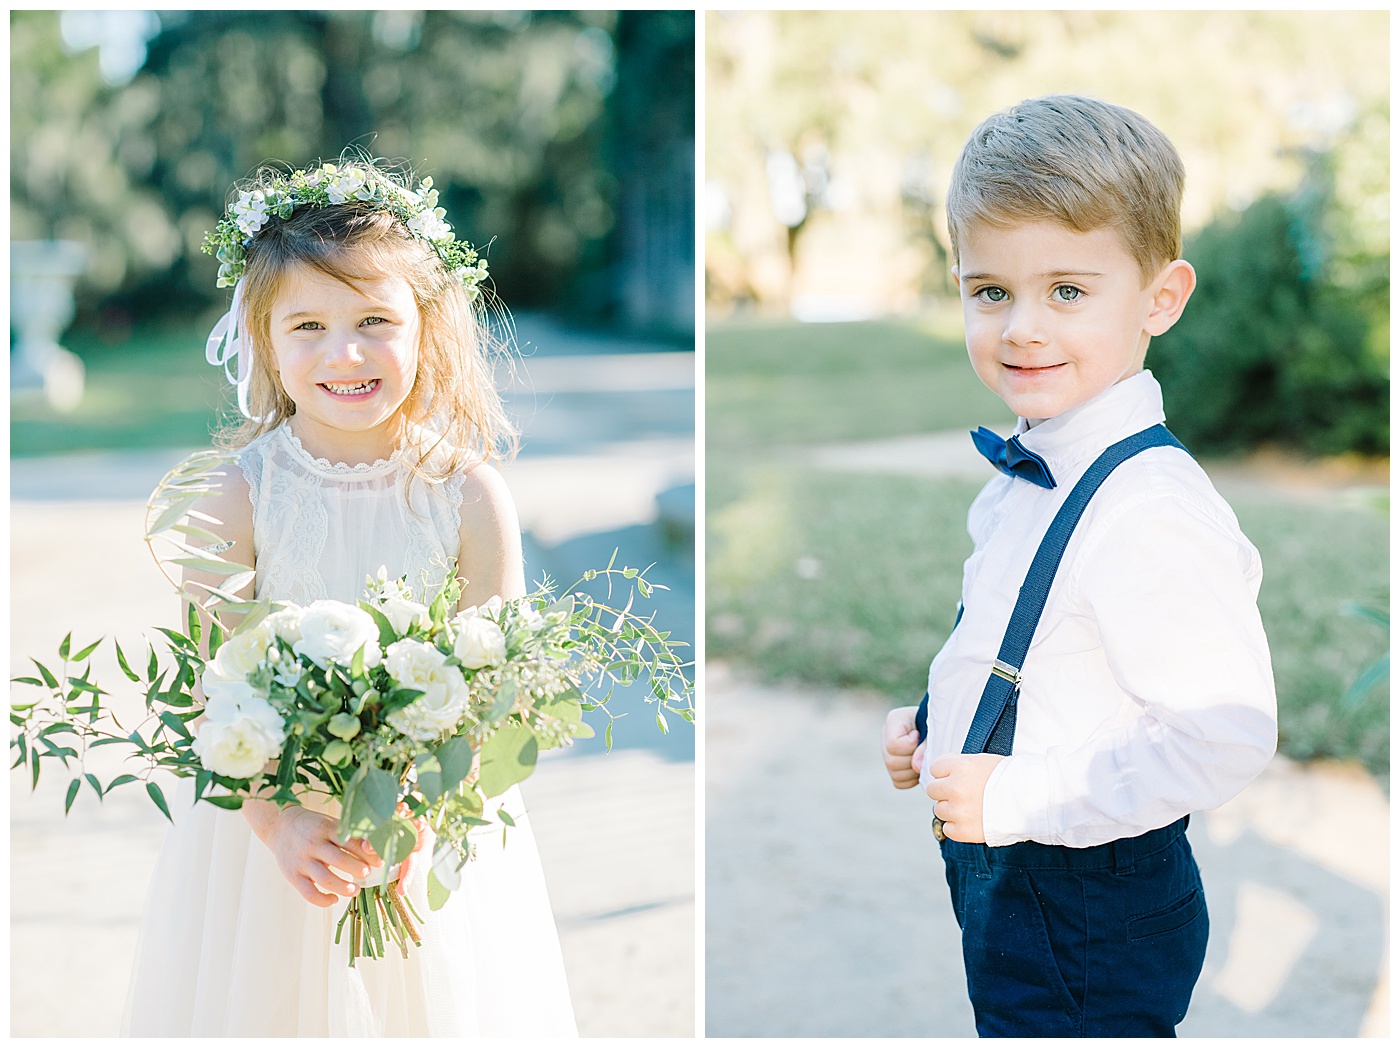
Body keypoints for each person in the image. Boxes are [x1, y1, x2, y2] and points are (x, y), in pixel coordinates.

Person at [123, 158, 578, 1037]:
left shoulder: (469, 492)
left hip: (427, 829)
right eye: (308, 325)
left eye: (376, 319)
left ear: (427, 328)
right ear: (262, 338)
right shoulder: (239, 494)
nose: (346, 352)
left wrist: (422, 799)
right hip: (272, 842)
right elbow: (201, 691)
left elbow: (502, 683)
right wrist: (281, 823)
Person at [880, 96, 1276, 1037]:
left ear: (1160, 298)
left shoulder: (1149, 510)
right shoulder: (1032, 468)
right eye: (990, 292)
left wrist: (1018, 793)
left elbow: (1226, 732)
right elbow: (1031, 646)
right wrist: (938, 726)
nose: (1022, 327)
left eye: (1067, 291)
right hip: (1019, 884)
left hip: (1088, 901)